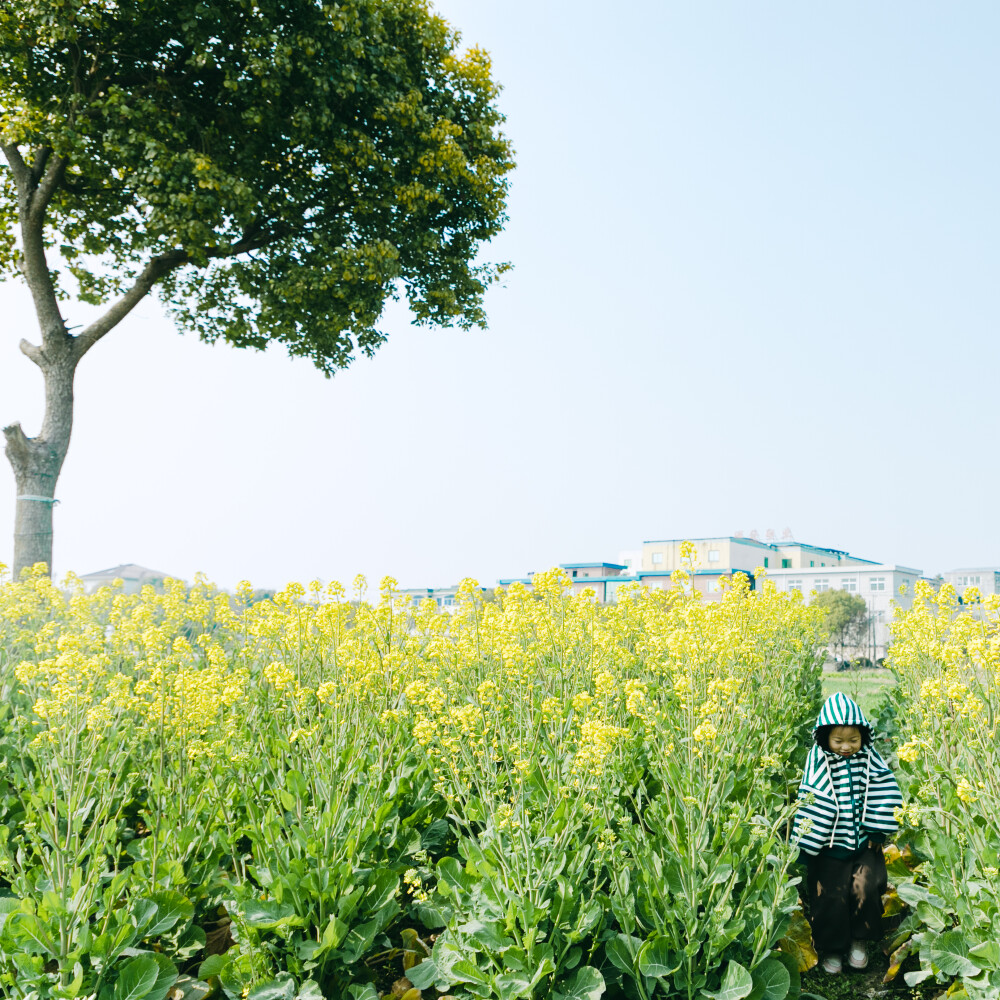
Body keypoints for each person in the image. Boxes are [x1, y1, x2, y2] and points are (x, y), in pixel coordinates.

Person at [790, 692, 903, 975]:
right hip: (829, 846)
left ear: (864, 736)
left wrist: (878, 830)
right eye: (838, 741)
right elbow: (811, 797)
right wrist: (809, 840)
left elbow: (883, 789)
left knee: (866, 888)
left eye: (853, 740)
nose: (846, 747)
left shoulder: (870, 759)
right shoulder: (818, 761)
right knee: (830, 896)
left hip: (865, 844)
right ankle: (832, 948)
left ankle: (859, 941)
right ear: (824, 738)